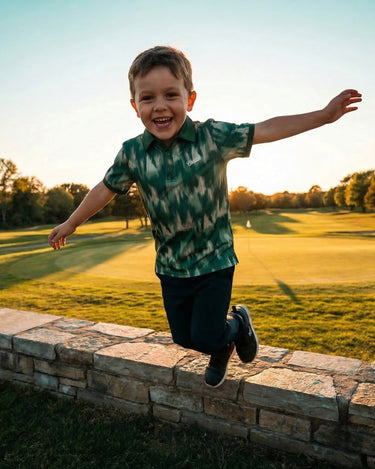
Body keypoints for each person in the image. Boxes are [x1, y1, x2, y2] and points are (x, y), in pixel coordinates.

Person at [48, 46, 362, 388]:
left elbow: (267, 129)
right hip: (171, 266)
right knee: (185, 338)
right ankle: (226, 340)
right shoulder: (132, 153)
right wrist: (71, 222)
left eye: (171, 95)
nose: (160, 106)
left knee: (205, 332)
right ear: (135, 106)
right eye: (148, 98)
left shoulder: (211, 137)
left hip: (215, 261)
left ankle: (237, 325)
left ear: (190, 99)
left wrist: (323, 115)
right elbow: (105, 188)